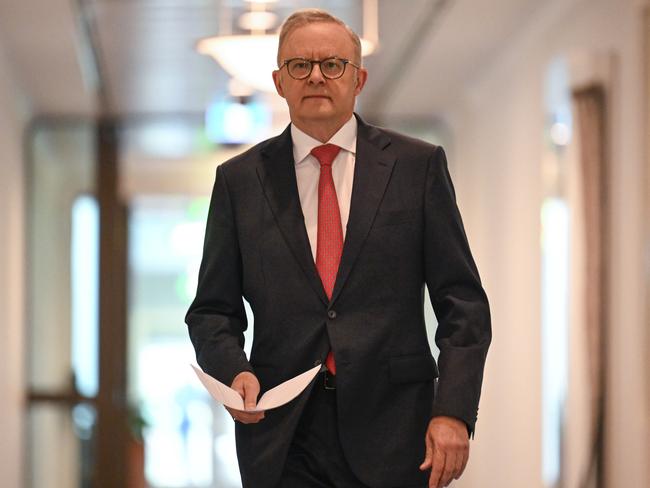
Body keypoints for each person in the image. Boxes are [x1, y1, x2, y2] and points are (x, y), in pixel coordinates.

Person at [186, 8, 491, 488]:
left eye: (333, 65)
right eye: (299, 66)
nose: (316, 77)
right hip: (282, 431)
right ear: (279, 81)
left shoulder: (418, 167)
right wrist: (232, 370)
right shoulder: (239, 182)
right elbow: (211, 311)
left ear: (359, 79)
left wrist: (453, 411)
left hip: (397, 429)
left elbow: (464, 304)